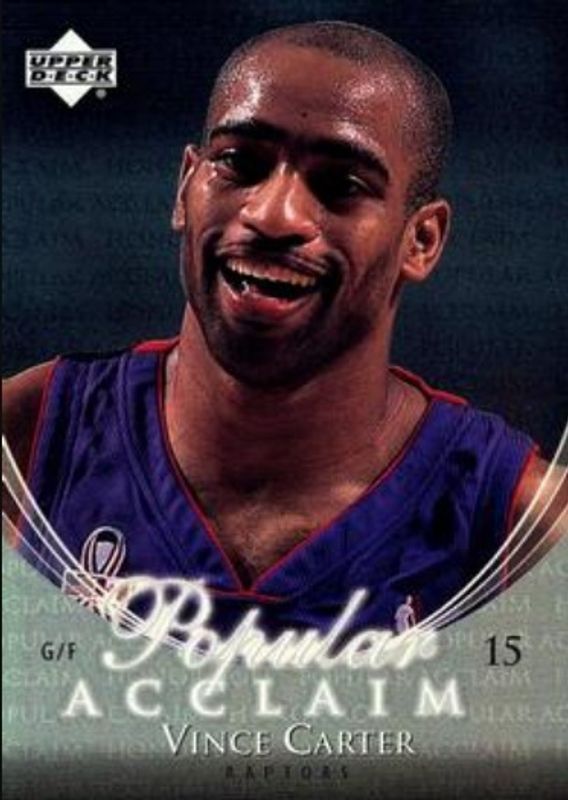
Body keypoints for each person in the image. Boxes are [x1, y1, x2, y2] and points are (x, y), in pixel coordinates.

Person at [3, 21, 564, 635]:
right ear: (185, 188)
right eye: (239, 163)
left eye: (341, 185)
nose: (273, 216)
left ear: (421, 240)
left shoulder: (520, 527)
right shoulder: (28, 441)